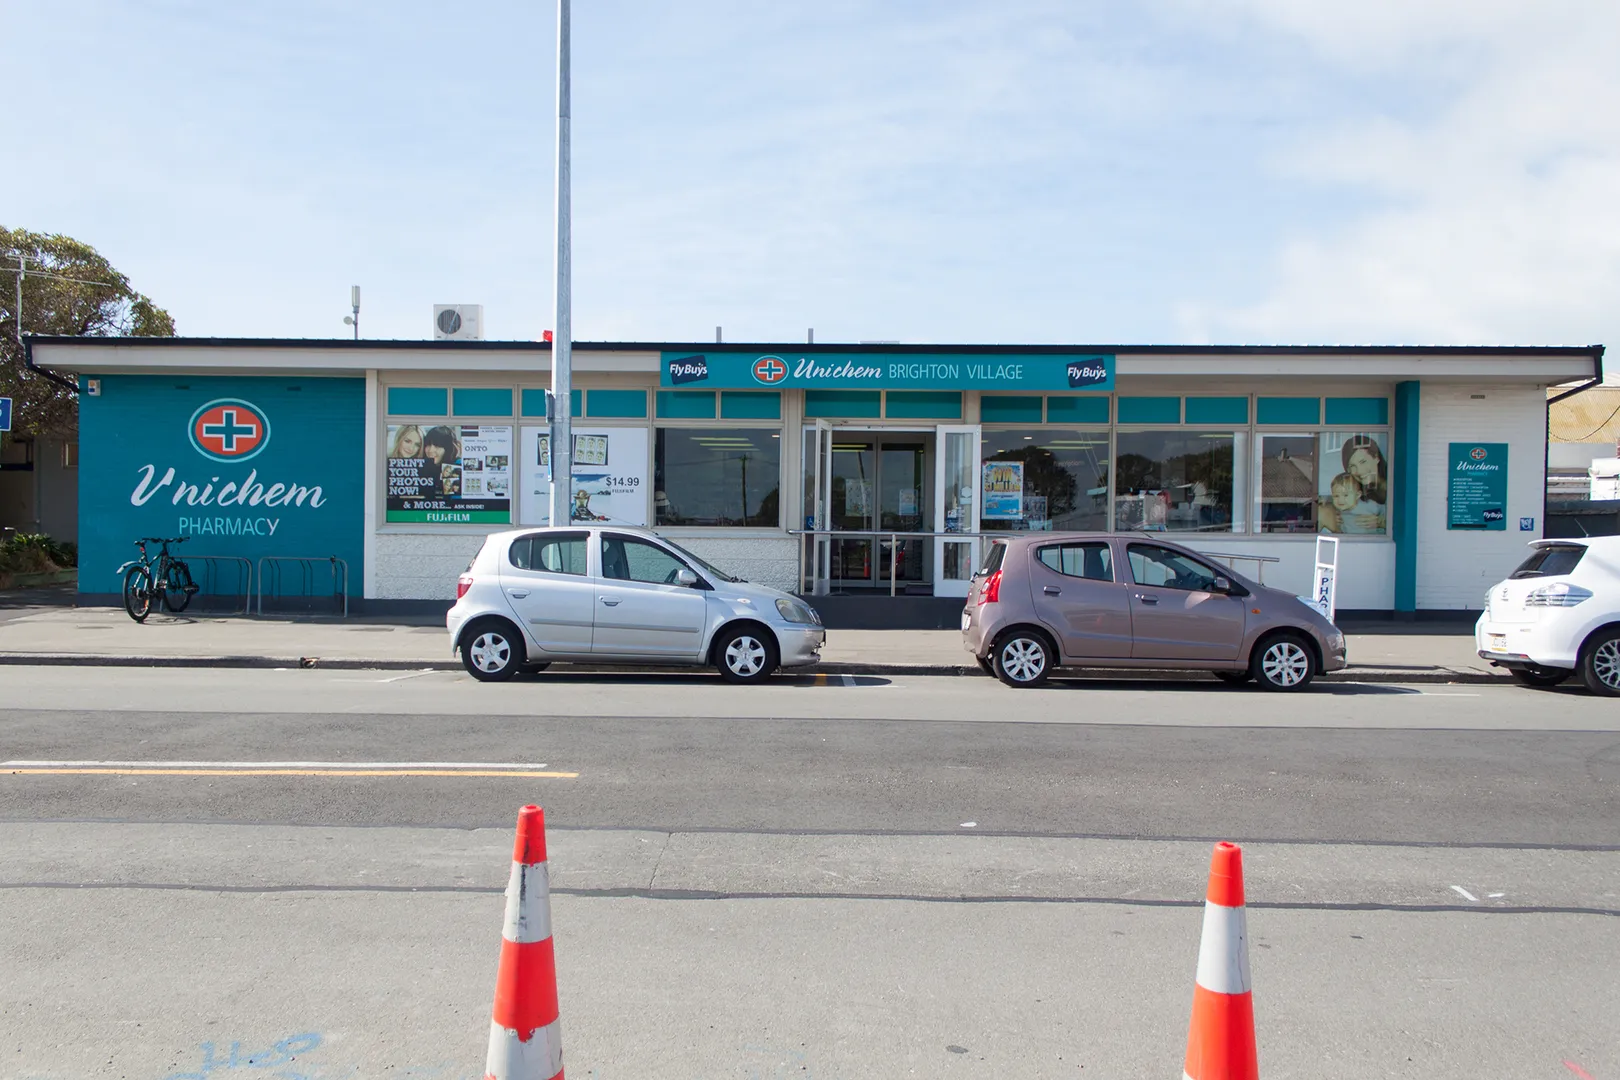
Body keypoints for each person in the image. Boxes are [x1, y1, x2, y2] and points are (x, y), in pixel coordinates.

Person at [1342, 435, 1388, 505]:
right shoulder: (1353, 497)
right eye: (1352, 466)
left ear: (1376, 457)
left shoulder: (1396, 483)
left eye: (1363, 462)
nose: (1359, 471)